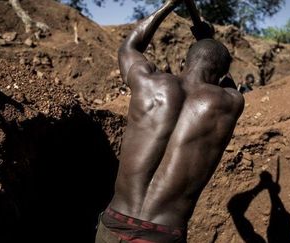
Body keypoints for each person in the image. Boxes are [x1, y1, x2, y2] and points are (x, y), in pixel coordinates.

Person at [95, 0, 244, 242]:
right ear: (220, 73)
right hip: (161, 235)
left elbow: (129, 47)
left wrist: (169, 5)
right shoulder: (229, 103)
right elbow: (229, 84)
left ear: (187, 60)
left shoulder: (148, 82)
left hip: (114, 224)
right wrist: (208, 40)